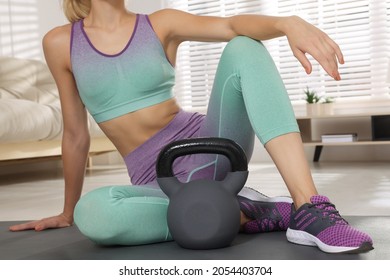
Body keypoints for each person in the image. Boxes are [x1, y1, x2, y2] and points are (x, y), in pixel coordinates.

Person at [10, 0, 373, 254]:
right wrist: (68, 212)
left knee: (244, 47)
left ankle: (309, 207)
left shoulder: (160, 23)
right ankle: (244, 211)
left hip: (212, 150)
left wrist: (286, 22)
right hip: (161, 182)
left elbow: (232, 26)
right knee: (96, 214)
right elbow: (75, 134)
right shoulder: (60, 43)